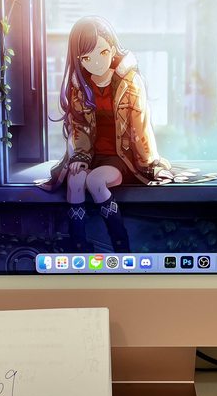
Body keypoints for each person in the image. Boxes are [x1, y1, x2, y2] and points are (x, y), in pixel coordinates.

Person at [38, 16, 171, 252]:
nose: (96, 63)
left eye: (102, 52)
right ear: (79, 59)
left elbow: (140, 125)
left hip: (121, 157)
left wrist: (149, 162)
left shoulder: (130, 82)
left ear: (112, 47)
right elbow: (79, 126)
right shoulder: (80, 86)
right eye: (86, 58)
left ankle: (121, 246)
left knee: (95, 181)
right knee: (75, 180)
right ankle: (78, 248)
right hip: (90, 155)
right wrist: (80, 156)